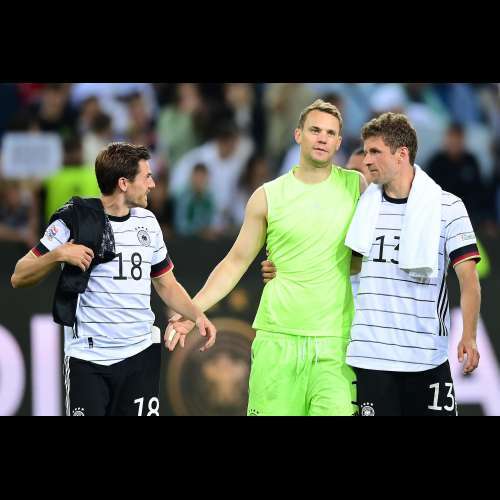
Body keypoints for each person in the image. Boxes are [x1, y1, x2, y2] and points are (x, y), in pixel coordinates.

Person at [263, 113, 482, 416]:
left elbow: (469, 279)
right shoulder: (358, 208)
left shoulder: (448, 207)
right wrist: (283, 268)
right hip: (371, 358)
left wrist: (469, 335)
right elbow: (326, 258)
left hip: (426, 355)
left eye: (375, 152)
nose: (366, 160)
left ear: (401, 154)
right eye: (365, 152)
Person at [167, 99, 367, 416]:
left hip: (335, 344)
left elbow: (369, 253)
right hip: (277, 341)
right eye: (315, 130)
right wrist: (192, 310)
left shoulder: (357, 186)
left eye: (330, 133)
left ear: (339, 142)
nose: (322, 138)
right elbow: (235, 262)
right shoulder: (267, 196)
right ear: (298, 134)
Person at [10, 142, 216, 416]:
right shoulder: (73, 219)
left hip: (140, 356)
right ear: (123, 183)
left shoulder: (148, 223)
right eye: (147, 177)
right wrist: (58, 254)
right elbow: (19, 275)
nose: (153, 184)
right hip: (88, 360)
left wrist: (198, 316)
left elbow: (166, 284)